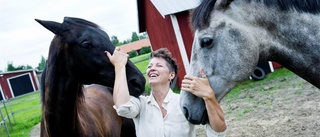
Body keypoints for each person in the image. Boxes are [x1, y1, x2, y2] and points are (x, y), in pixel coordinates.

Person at [105, 47, 227, 137]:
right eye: (149, 66)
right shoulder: (141, 104)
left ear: (171, 75)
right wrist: (119, 66)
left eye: (159, 65)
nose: (152, 68)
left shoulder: (183, 102)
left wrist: (209, 96)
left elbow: (218, 132)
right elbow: (122, 107)